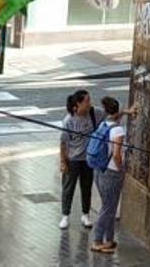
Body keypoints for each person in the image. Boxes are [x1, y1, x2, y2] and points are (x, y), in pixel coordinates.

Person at [59, 89, 104, 230]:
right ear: (77, 104)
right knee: (68, 187)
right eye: (87, 101)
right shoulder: (69, 121)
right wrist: (63, 161)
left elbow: (111, 113)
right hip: (73, 159)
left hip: (88, 159)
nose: (90, 103)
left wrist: (126, 111)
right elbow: (63, 143)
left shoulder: (94, 113)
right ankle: (65, 215)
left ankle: (85, 214)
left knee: (86, 186)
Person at [91, 97, 131, 254]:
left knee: (109, 206)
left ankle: (109, 239)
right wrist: (121, 169)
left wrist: (126, 111)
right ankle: (97, 240)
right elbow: (116, 155)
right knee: (108, 208)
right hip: (112, 173)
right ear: (117, 111)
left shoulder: (103, 125)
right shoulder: (118, 131)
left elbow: (116, 115)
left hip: (99, 170)